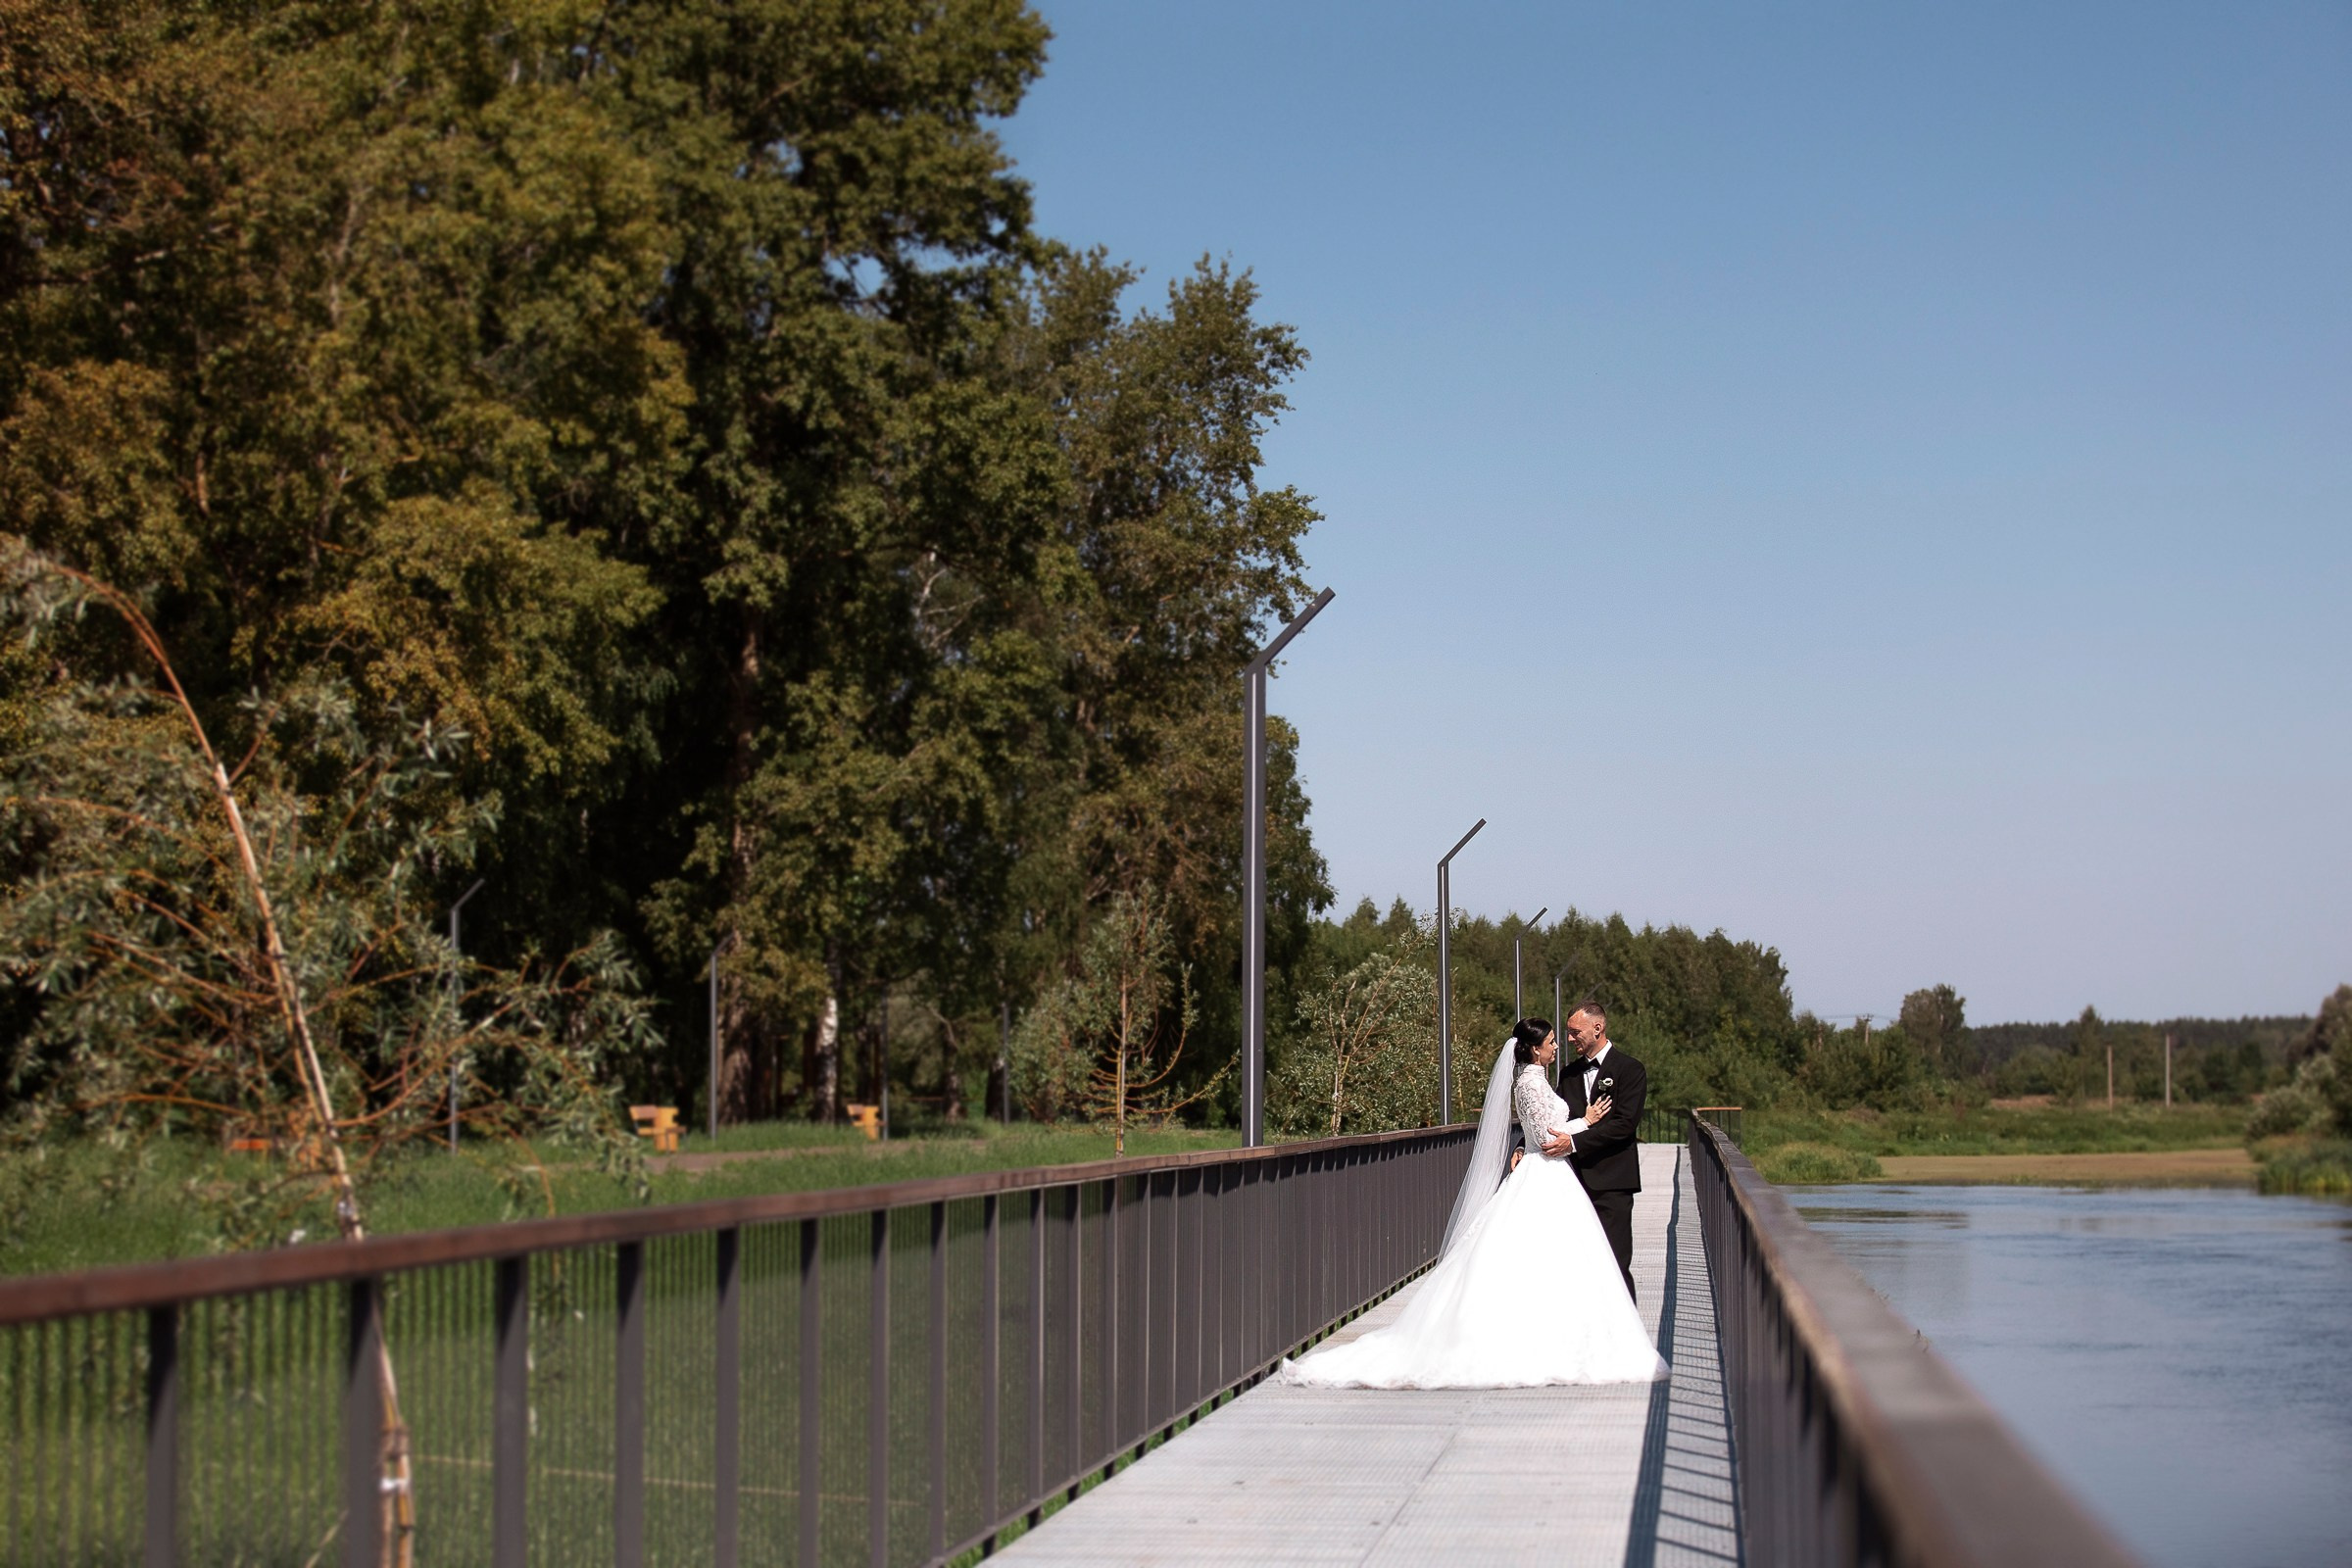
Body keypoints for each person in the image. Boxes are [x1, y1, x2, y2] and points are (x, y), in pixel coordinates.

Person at [1275, 1018, 1666, 1388]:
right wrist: (1587, 1122)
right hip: (1548, 1173)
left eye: (1567, 1035)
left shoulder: (1602, 1072)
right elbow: (1547, 1135)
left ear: (1597, 1027)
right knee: (1551, 1261)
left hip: (1580, 1177)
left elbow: (1583, 1126)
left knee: (1589, 1261)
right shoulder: (1535, 1083)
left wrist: (1562, 1133)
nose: (1558, 1046)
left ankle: (1590, 1335)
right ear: (1533, 1050)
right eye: (1551, 1041)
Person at [1559, 1001, 1645, 1300]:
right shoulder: (1568, 1074)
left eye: (1575, 1032)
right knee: (1578, 1266)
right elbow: (1553, 1119)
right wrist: (1522, 1146)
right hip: (1573, 1182)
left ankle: (1627, 1338)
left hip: (1612, 1183)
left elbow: (1624, 1124)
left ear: (1598, 1028)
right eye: (1567, 1033)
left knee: (1615, 1265)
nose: (1570, 1039)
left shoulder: (1630, 1069)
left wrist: (1574, 1142)